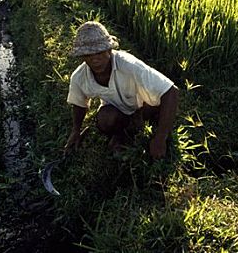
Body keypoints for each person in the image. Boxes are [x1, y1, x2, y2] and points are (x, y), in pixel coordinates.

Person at [64, 21, 179, 159]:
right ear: (82, 57)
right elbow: (79, 103)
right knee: (104, 120)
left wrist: (160, 138)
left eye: (100, 52)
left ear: (109, 50)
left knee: (156, 109)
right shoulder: (79, 77)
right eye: (89, 55)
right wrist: (76, 130)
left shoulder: (129, 65)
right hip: (119, 111)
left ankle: (136, 131)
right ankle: (124, 133)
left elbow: (171, 91)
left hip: (145, 108)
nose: (95, 60)